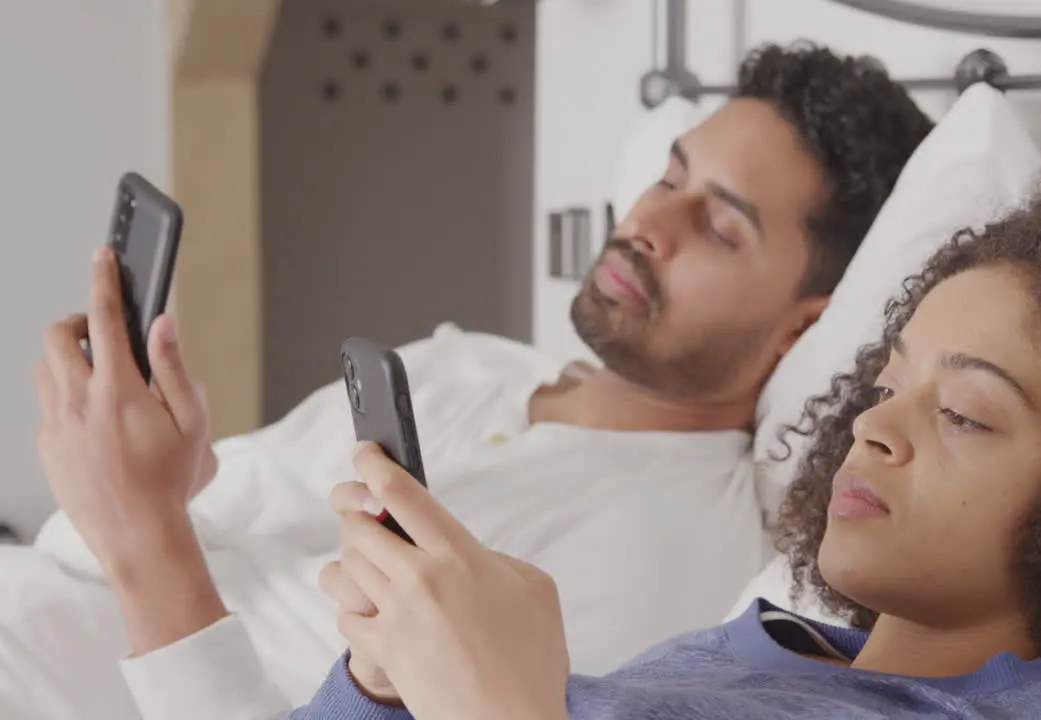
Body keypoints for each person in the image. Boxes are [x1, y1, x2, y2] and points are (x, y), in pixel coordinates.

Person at [18, 42, 934, 719]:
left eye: (723, 228)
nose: (654, 222)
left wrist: (145, 539)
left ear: (804, 325)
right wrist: (154, 479)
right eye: (670, 175)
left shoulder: (674, 547)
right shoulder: (467, 364)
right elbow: (115, 539)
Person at [290, 178, 1041, 719]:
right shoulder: (732, 647)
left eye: (964, 414)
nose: (870, 426)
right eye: (886, 384)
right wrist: (384, 681)